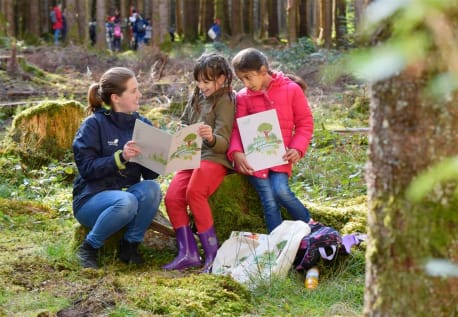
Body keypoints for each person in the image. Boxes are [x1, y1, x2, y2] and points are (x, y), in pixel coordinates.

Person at [72, 67, 162, 269]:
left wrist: (159, 158)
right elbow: (87, 169)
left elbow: (149, 176)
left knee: (152, 189)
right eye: (133, 91)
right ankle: (89, 248)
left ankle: (129, 247)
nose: (139, 95)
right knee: (127, 201)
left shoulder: (142, 124)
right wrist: (120, 157)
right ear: (116, 97)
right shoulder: (93, 124)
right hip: (91, 199)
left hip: (125, 197)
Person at [227, 48, 313, 233]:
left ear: (263, 71)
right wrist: (237, 152)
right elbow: (237, 128)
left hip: (281, 158)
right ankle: (276, 243)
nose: (245, 83)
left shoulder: (291, 90)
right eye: (241, 79)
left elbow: (305, 123)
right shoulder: (243, 97)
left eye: (248, 77)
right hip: (254, 162)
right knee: (269, 200)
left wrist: (297, 148)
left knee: (280, 191)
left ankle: (311, 225)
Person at [163, 53, 235, 273]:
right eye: (199, 80)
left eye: (207, 81)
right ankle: (188, 253)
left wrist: (210, 137)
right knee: (173, 197)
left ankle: (213, 255)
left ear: (222, 79)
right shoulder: (198, 95)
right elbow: (185, 120)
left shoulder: (226, 100)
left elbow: (223, 143)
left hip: (214, 157)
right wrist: (181, 130)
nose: (201, 85)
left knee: (194, 193)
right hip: (189, 154)